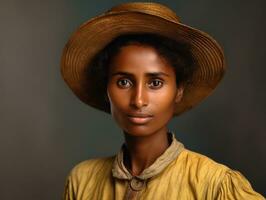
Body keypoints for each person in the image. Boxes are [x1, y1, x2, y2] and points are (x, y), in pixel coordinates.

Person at [61, 2, 265, 200]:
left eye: (155, 83)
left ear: (178, 91)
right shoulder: (82, 180)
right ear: (106, 89)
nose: (139, 100)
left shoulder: (214, 184)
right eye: (123, 82)